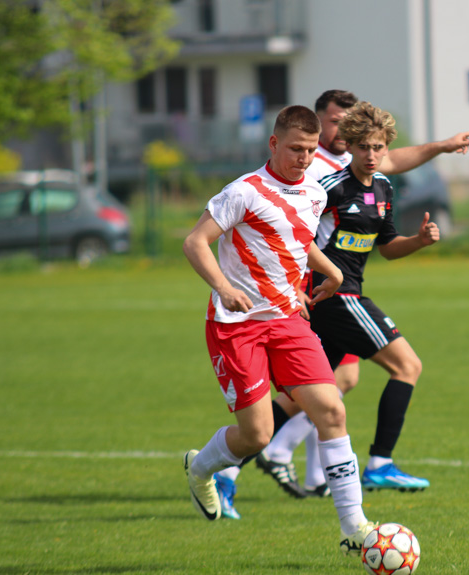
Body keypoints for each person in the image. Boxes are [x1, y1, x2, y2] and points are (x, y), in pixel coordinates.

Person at [215, 90, 469, 515]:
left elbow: (389, 247)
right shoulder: (327, 189)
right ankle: (379, 463)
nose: (373, 155)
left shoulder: (385, 188)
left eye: (379, 148)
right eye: (364, 147)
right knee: (407, 365)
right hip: (334, 297)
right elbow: (292, 235)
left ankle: (226, 474)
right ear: (349, 147)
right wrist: (297, 283)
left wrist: (420, 241)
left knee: (299, 398)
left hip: (339, 295)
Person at [181, 104, 378, 557]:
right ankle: (200, 469)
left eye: (310, 150)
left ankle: (354, 526)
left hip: (290, 320)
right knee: (257, 436)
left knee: (331, 410)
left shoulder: (313, 192)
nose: (304, 158)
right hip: (237, 327)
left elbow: (296, 236)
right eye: (295, 149)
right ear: (273, 144)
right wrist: (223, 287)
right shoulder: (244, 191)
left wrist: (330, 272)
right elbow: (195, 242)